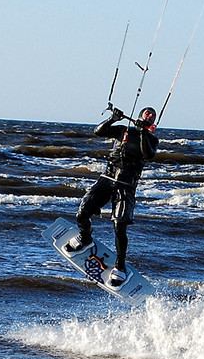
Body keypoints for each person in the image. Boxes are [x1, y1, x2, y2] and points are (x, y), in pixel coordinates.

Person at [64, 106, 159, 286]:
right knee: (82, 212)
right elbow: (99, 131)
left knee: (119, 225)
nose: (150, 115)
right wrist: (113, 119)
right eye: (147, 112)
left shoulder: (151, 139)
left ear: (153, 122)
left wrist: (141, 132)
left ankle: (120, 267)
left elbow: (148, 153)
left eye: (153, 115)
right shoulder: (123, 130)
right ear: (140, 115)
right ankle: (85, 238)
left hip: (127, 185)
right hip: (107, 178)